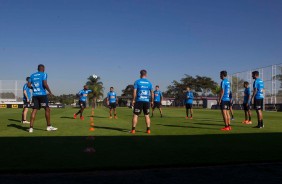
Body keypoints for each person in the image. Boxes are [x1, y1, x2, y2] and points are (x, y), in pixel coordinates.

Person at [28, 64, 57, 133]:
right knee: (47, 109)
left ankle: (31, 128)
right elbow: (45, 84)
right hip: (42, 95)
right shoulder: (44, 74)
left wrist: (33, 88)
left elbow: (28, 85)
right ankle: (49, 126)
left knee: (34, 110)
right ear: (43, 69)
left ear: (37, 69)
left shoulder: (32, 75)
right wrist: (50, 92)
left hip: (35, 95)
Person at [131, 70, 154, 134]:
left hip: (139, 101)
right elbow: (152, 93)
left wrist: (133, 100)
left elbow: (134, 92)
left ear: (140, 74)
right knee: (147, 115)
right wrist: (152, 101)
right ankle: (148, 130)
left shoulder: (137, 82)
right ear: (146, 75)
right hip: (146, 101)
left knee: (135, 115)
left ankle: (133, 130)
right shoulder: (149, 83)